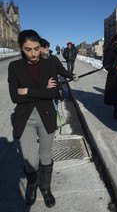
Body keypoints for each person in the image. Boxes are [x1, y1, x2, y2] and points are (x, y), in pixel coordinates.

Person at [8, 30, 58, 208]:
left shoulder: (49, 64)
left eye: (36, 48)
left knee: (45, 157)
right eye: (28, 49)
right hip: (25, 118)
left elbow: (54, 92)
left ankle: (45, 188)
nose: (33, 53)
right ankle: (32, 185)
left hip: (46, 116)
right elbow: (15, 96)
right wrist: (43, 91)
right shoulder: (14, 67)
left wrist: (28, 91)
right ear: (21, 48)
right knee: (30, 160)